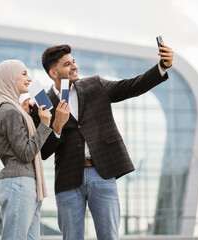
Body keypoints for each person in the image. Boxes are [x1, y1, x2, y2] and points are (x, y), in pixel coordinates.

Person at [31, 43, 174, 240]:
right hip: (67, 178)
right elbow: (43, 151)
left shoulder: (94, 85)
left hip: (102, 173)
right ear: (53, 72)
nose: (74, 66)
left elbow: (130, 87)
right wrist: (57, 126)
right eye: (67, 64)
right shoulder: (42, 103)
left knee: (109, 236)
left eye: (73, 62)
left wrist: (162, 67)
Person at [0, 59, 53, 239]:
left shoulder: (12, 109)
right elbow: (25, 153)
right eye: (23, 74)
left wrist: (27, 115)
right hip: (20, 182)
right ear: (9, 78)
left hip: (25, 182)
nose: (29, 79)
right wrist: (44, 125)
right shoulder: (9, 111)